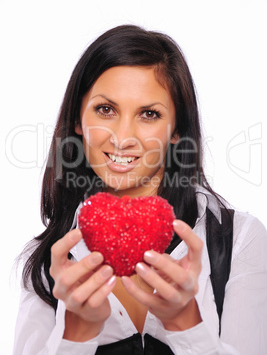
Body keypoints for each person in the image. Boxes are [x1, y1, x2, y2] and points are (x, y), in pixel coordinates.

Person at [13, 25, 267, 355]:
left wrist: (185, 323)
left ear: (177, 130)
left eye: (149, 114)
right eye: (106, 110)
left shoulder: (239, 240)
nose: (123, 137)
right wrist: (76, 332)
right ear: (78, 119)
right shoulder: (46, 264)